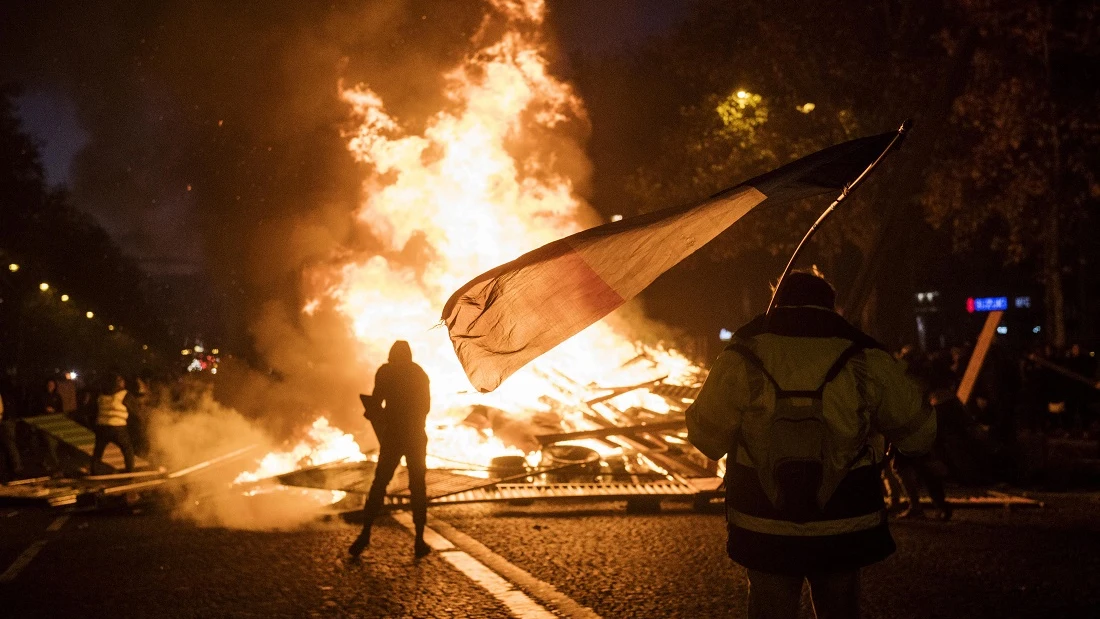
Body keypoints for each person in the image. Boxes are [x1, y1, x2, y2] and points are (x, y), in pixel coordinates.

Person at [687, 269, 936, 619]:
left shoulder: (743, 353)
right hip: (844, 517)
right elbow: (920, 432)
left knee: (770, 607)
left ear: (778, 301)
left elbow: (705, 437)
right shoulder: (864, 354)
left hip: (763, 518)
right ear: (829, 304)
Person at [350, 340, 431, 559]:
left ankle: (365, 534)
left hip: (393, 436)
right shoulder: (419, 373)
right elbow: (426, 407)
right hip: (415, 435)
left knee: (379, 484)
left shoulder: (385, 372)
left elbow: (376, 402)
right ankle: (419, 540)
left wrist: (378, 414)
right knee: (418, 487)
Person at [91, 373, 136, 475]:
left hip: (102, 426)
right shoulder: (124, 394)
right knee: (127, 448)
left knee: (98, 450)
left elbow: (93, 408)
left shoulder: (101, 394)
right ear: (119, 382)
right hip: (118, 427)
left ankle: (93, 470)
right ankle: (130, 471)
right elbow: (135, 410)